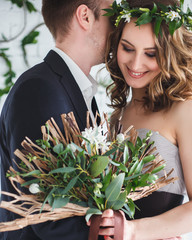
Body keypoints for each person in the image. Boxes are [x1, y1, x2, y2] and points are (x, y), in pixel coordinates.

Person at [89, 0, 192, 239]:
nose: (136, 64)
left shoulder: (186, 109)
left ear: (170, 55)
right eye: (127, 48)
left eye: (151, 54)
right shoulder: (119, 115)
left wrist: (133, 231)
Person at [0, 0, 112, 239]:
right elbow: (48, 214)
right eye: (111, 15)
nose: (117, 27)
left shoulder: (75, 90)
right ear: (85, 16)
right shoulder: (39, 90)